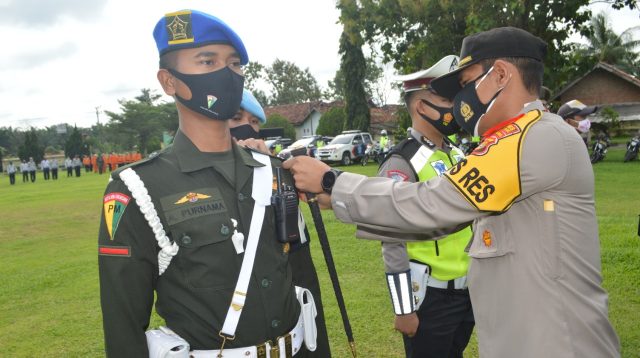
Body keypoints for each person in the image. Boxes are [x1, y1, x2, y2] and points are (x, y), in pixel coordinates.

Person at [284, 27, 620, 357]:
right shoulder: (518, 140)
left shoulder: (530, 139)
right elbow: (437, 221)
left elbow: (433, 203)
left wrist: (333, 182)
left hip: (556, 343)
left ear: (501, 74)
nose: (460, 101)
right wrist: (340, 198)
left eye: (465, 84)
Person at [99, 10, 319, 357]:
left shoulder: (275, 172)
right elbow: (123, 324)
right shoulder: (138, 188)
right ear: (169, 82)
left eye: (234, 64)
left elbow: (304, 287)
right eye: (207, 62)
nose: (226, 74)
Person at [380, 55, 473, 358]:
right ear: (421, 106)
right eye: (447, 98)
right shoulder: (403, 161)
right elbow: (391, 238)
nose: (456, 106)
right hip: (430, 297)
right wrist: (404, 308)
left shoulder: (458, 154)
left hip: (468, 291)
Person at [230, 88, 331, 357]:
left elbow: (301, 265)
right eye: (235, 118)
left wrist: (268, 172)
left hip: (293, 317)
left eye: (253, 122)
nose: (246, 129)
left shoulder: (279, 174)